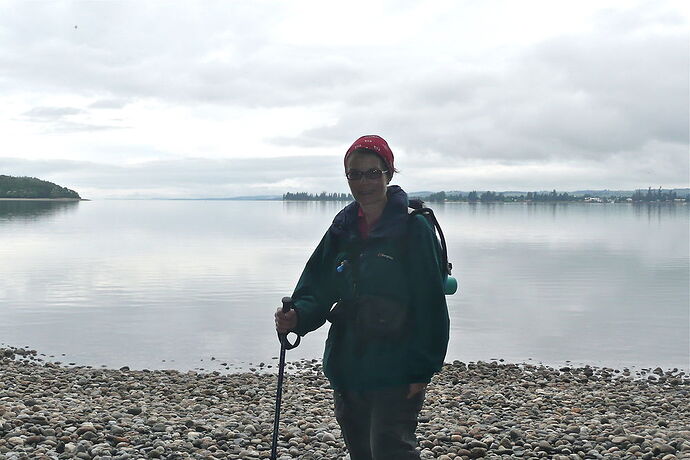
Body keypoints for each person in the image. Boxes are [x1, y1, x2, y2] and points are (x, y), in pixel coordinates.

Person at [275, 134, 450, 460]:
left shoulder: (414, 230)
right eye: (355, 174)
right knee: (360, 451)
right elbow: (317, 286)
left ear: (389, 173)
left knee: (391, 450)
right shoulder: (342, 228)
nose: (364, 182)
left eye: (373, 173)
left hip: (397, 368)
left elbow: (431, 306)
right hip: (347, 365)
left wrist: (422, 370)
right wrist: (297, 315)